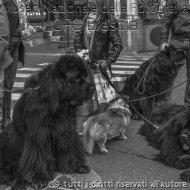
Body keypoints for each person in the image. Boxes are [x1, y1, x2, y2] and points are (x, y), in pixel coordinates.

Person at [74, 0, 123, 117]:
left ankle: (100, 126)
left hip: (100, 67)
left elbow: (118, 44)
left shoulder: (108, 20)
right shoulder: (87, 18)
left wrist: (108, 61)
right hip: (85, 65)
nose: (89, 2)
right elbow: (77, 40)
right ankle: (87, 125)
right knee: (85, 97)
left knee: (102, 99)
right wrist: (81, 53)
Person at [0, 0, 35, 130]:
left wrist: (27, 27)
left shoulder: (18, 1)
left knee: (8, 84)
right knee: (4, 85)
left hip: (14, 45)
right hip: (6, 47)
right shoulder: (6, 2)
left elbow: (20, 20)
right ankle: (5, 120)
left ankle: (6, 119)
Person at [160, 0, 190, 106]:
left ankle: (187, 109)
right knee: (167, 75)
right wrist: (164, 40)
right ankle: (164, 107)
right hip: (177, 41)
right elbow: (166, 19)